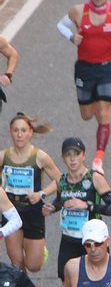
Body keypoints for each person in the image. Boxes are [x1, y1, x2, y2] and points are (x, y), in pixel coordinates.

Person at [59, 0, 111, 173]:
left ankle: (98, 159)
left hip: (107, 68)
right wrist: (70, 36)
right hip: (85, 68)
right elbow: (61, 24)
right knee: (86, 115)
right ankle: (94, 102)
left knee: (103, 112)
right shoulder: (78, 11)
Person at [44, 136, 111, 286]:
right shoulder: (62, 180)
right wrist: (53, 208)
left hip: (93, 240)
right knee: (66, 280)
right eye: (68, 155)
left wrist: (87, 206)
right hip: (69, 239)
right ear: (63, 158)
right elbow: (62, 201)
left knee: (99, 280)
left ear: (84, 156)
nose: (72, 159)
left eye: (76, 154)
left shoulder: (94, 178)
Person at [4, 113, 61, 275]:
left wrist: (41, 193)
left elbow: (60, 180)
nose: (19, 135)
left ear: (30, 132)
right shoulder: (3, 157)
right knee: (16, 261)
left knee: (33, 265)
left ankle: (37, 250)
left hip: (33, 213)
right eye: (15, 131)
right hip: (11, 213)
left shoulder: (40, 157)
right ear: (10, 133)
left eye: (23, 130)